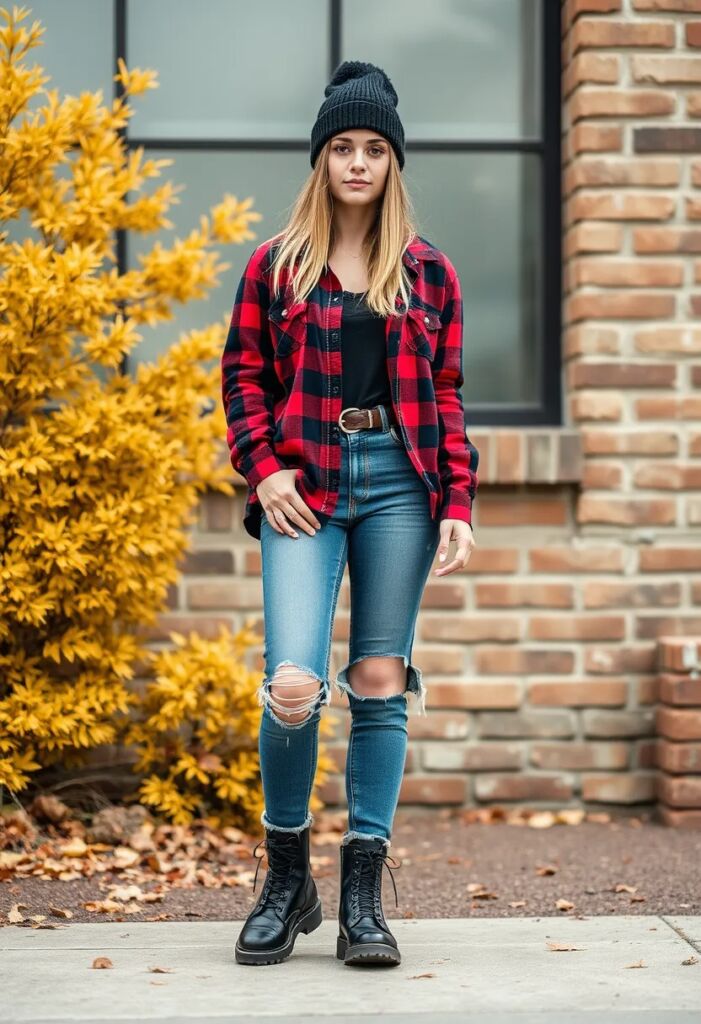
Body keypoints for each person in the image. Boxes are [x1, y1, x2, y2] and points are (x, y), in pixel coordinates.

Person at [221, 60, 479, 968]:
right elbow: (242, 380)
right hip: (306, 481)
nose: (359, 162)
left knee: (377, 678)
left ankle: (363, 891)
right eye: (344, 147)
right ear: (322, 160)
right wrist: (264, 472)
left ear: (393, 162)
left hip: (401, 483)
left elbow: (445, 397)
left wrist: (457, 501)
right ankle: (286, 877)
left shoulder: (428, 275)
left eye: (374, 148)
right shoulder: (276, 266)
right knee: (293, 685)